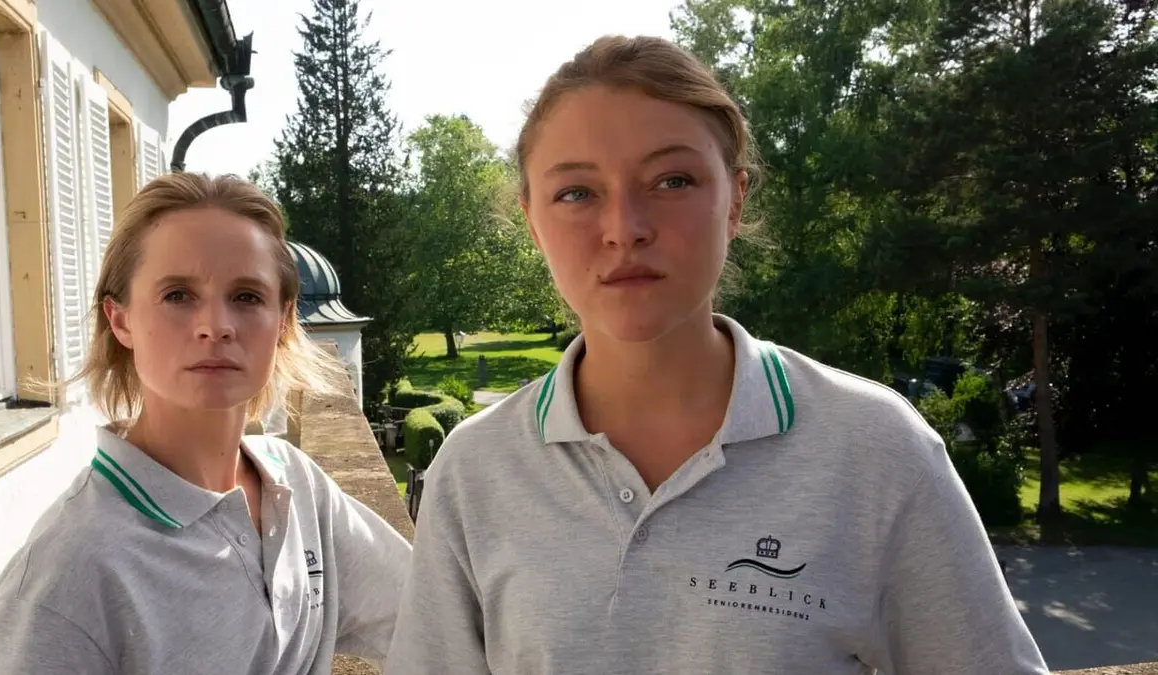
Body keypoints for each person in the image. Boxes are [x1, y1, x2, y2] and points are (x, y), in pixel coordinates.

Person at [383, 35, 1049, 674]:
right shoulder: (474, 472)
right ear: (533, 222)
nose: (624, 229)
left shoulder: (875, 449)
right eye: (577, 192)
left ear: (734, 201)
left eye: (672, 180)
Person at [0, 173, 412, 674]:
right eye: (178, 295)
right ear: (121, 320)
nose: (215, 326)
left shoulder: (297, 486)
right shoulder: (68, 575)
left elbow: (430, 616)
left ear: (282, 321)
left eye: (247, 296)